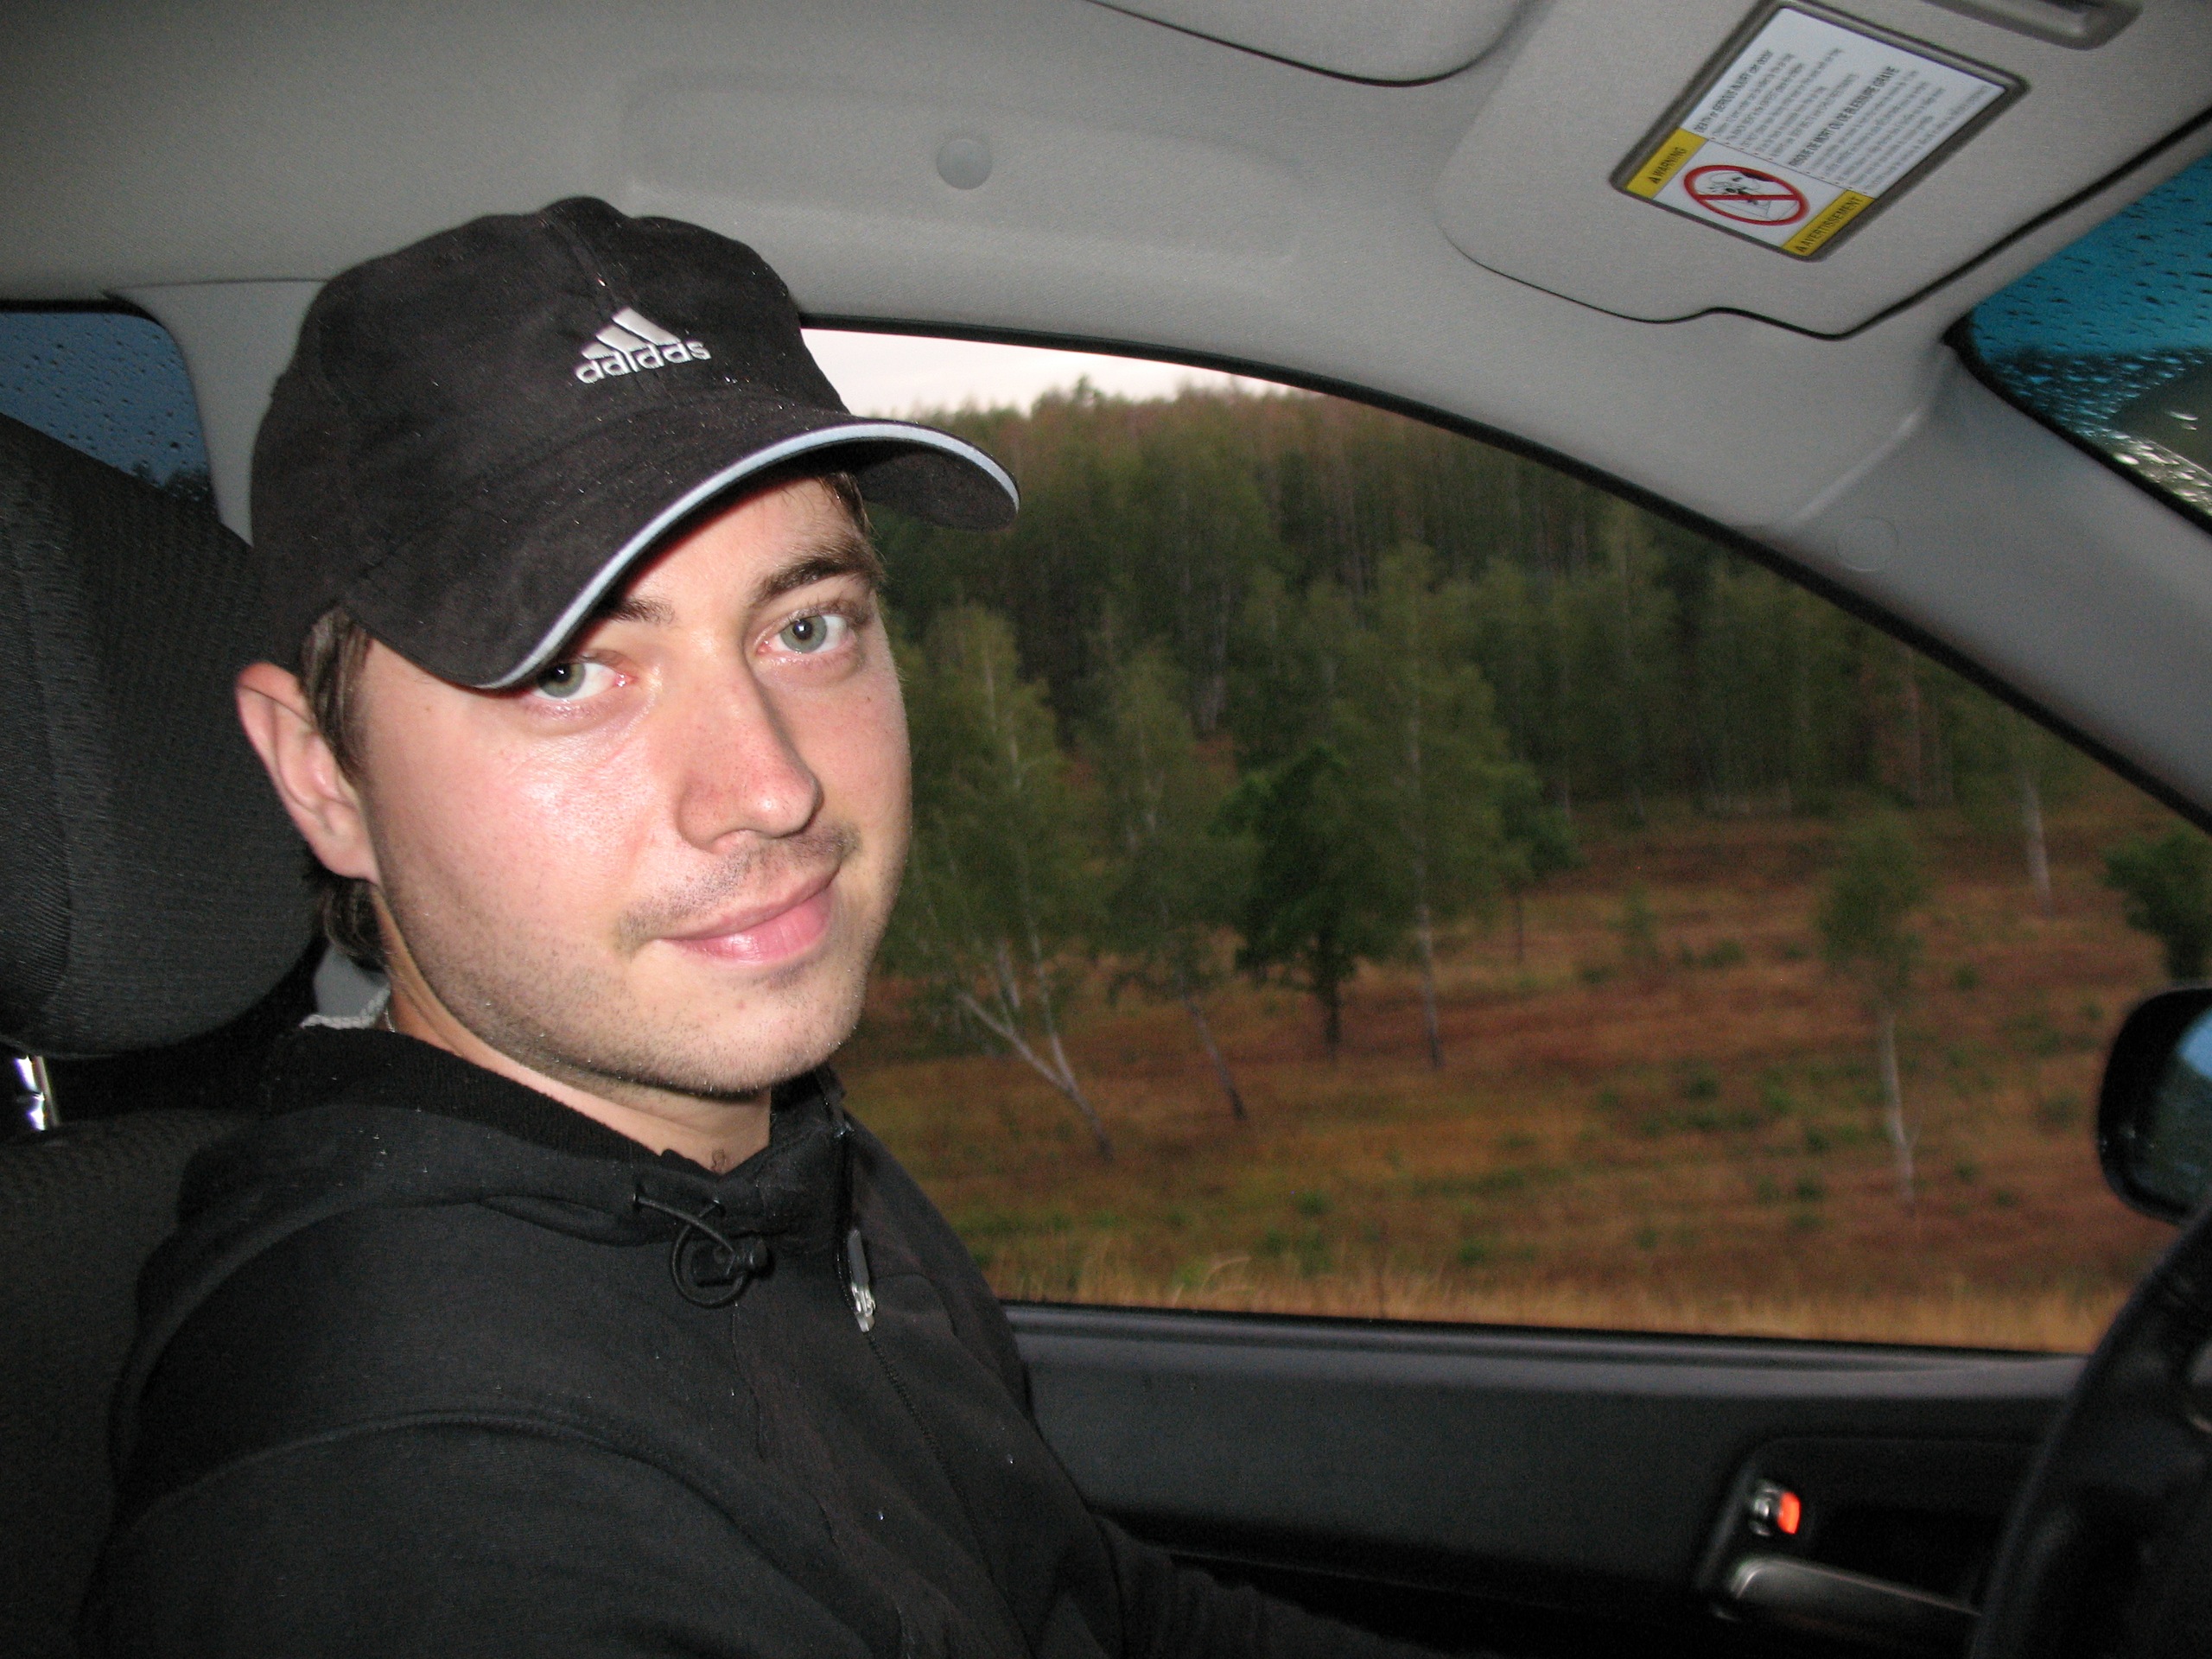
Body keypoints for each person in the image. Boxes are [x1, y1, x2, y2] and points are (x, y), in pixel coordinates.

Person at [84, 199, 1437, 1658]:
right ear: (322, 778)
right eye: (568, 673)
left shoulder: (776, 1160)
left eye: (806, 628)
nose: (772, 789)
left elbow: (1094, 1607)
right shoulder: (422, 1509)